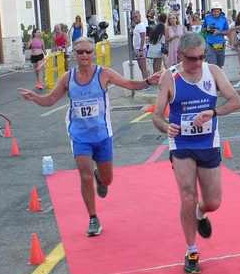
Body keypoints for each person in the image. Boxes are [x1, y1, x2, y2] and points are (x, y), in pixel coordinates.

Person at [19, 37, 161, 237]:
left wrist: (147, 81)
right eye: (80, 52)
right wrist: (35, 98)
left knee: (107, 178)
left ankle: (100, 179)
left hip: (102, 135)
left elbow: (128, 83)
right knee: (84, 176)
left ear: (93, 53)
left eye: (88, 52)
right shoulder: (68, 78)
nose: (84, 55)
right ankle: (93, 218)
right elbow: (50, 100)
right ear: (74, 55)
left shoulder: (103, 74)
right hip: (80, 136)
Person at [152, 32, 240, 274]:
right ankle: (191, 250)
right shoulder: (170, 78)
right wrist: (165, 126)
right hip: (181, 144)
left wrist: (214, 113)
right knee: (187, 195)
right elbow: (157, 115)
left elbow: (236, 101)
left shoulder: (213, 72)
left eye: (202, 57)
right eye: (193, 58)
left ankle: (201, 214)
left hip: (208, 142)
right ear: (181, 55)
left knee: (213, 201)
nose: (198, 63)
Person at [202, 2, 229, 68]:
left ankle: (218, 77)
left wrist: (218, 32)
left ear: (220, 11)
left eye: (218, 11)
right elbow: (202, 30)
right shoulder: (207, 18)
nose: (216, 13)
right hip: (210, 44)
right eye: (214, 11)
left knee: (219, 66)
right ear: (212, 11)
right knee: (212, 65)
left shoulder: (224, 19)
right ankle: (212, 78)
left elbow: (227, 31)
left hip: (220, 44)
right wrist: (207, 29)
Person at [229, 11, 240, 87]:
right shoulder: (234, 24)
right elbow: (229, 30)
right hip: (236, 43)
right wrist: (237, 27)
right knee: (233, 31)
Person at [132, 11, 149, 79]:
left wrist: (141, 50)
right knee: (141, 67)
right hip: (137, 49)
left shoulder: (141, 26)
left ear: (140, 16)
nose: (134, 18)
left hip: (140, 49)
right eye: (133, 17)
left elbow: (143, 38)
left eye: (136, 17)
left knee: (143, 67)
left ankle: (146, 84)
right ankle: (145, 82)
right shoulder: (137, 25)